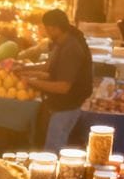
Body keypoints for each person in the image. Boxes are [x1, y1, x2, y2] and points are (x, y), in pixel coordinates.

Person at [16, 9, 93, 151]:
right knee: (52, 145)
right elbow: (47, 67)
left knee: (53, 149)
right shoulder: (62, 41)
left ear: (55, 28)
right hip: (61, 105)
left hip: (68, 106)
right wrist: (23, 68)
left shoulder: (71, 48)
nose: (45, 33)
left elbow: (63, 87)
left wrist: (31, 82)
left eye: (47, 29)